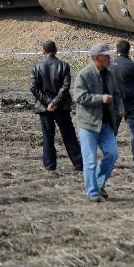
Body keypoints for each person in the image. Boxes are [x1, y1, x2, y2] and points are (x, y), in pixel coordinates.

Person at [73, 43, 124, 202]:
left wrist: (120, 106)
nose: (110, 58)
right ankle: (92, 193)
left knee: (112, 153)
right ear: (97, 58)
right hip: (88, 124)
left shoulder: (110, 74)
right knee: (90, 161)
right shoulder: (84, 74)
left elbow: (116, 93)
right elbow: (79, 97)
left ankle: (99, 183)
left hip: (106, 123)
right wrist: (99, 98)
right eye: (106, 56)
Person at [30, 40, 82, 172]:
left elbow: (33, 88)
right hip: (61, 106)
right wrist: (54, 102)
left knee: (48, 136)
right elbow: (65, 88)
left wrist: (48, 102)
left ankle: (49, 165)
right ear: (56, 50)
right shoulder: (64, 65)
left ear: (43, 51)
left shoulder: (37, 67)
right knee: (69, 135)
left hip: (44, 107)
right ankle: (78, 163)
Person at [111, 40, 134, 169]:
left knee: (112, 133)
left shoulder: (109, 65)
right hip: (130, 103)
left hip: (114, 104)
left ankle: (109, 158)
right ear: (129, 50)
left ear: (117, 50)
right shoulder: (132, 65)